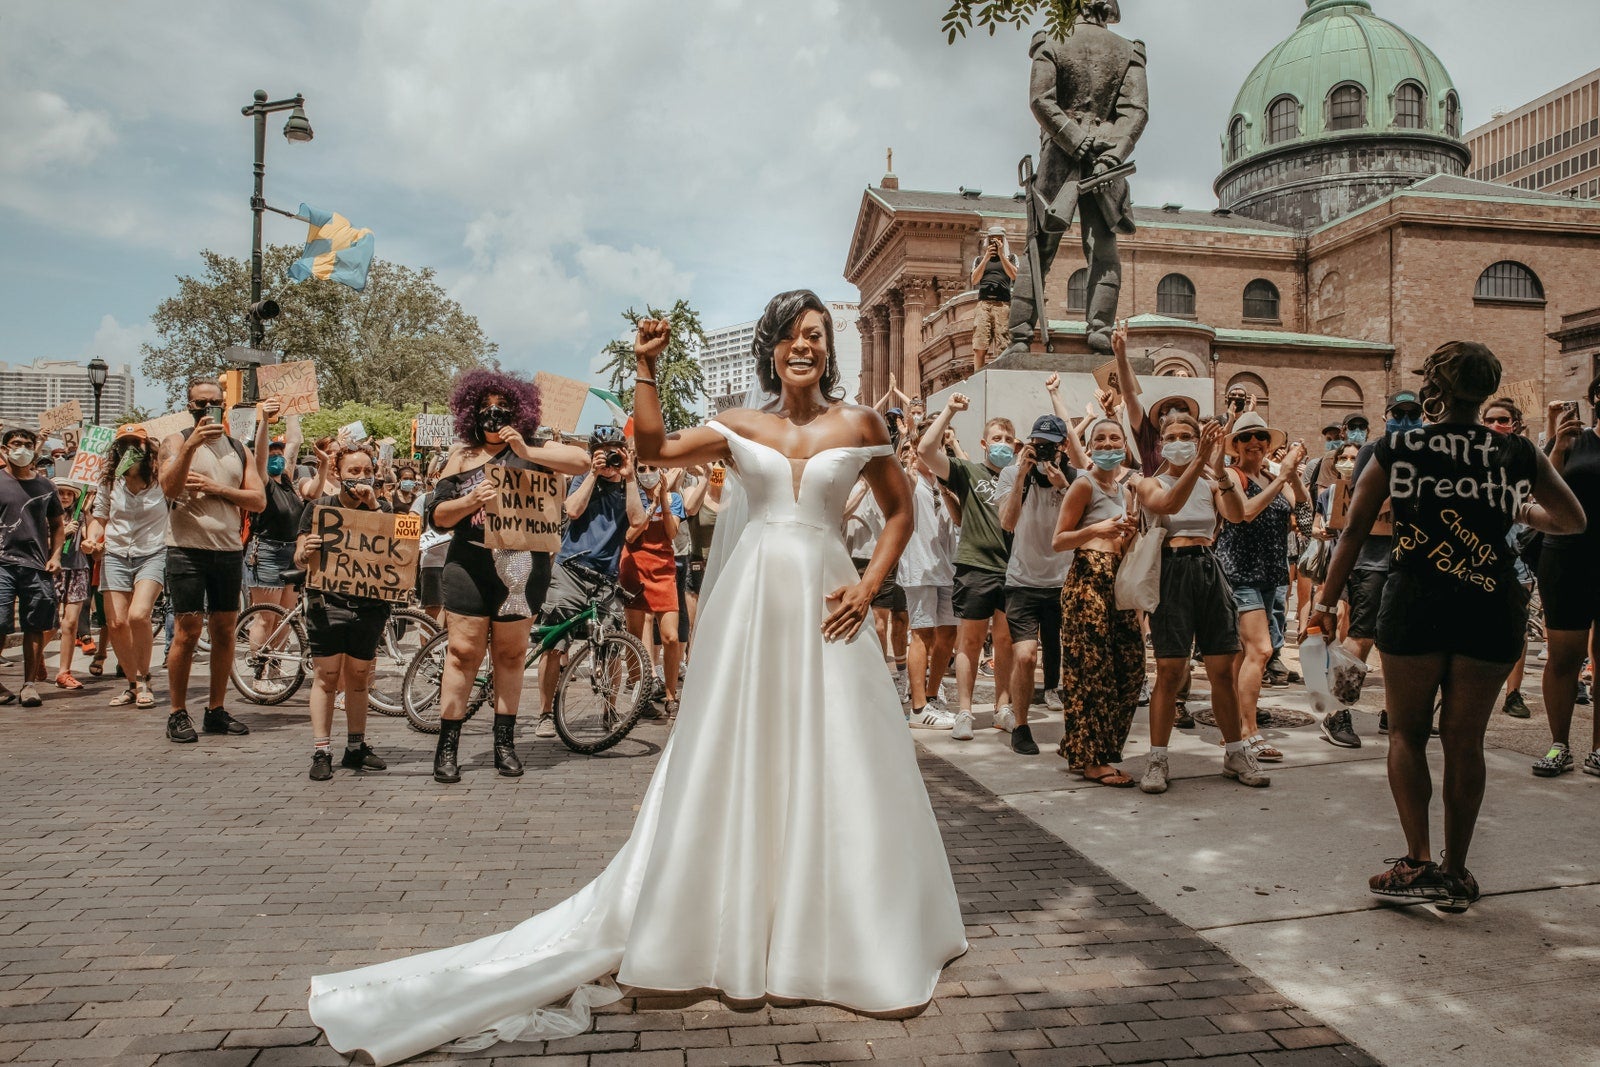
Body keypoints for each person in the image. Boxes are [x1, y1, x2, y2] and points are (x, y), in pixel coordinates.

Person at [308, 290, 967, 1063]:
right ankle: (737, 921)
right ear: (772, 346)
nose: (806, 346)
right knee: (746, 755)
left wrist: (866, 583)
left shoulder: (861, 424)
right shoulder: (739, 427)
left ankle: (842, 926)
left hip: (829, 606)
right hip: (753, 611)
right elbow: (650, 447)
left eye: (818, 335)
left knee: (841, 760)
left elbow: (899, 514)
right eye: (792, 334)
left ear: (830, 349)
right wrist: (647, 367)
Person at [1314, 340, 1583, 912]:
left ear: (1435, 387)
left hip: (1416, 600)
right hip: (1489, 604)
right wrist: (1514, 507)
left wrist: (1323, 602)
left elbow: (1355, 530)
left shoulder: (1400, 446)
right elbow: (1570, 518)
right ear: (1487, 390)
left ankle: (1417, 861)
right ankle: (1457, 872)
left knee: (1408, 734)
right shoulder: (1515, 453)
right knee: (1466, 741)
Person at [425, 371, 591, 784]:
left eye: (501, 408)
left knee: (511, 655)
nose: (492, 415)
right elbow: (438, 517)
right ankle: (448, 746)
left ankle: (505, 744)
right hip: (470, 562)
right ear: (471, 412)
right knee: (462, 652)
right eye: (484, 408)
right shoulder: (461, 457)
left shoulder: (535, 449)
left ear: (518, 412)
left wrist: (522, 446)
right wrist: (468, 501)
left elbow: (582, 462)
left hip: (522, 565)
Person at [1134, 413, 1270, 793]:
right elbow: (1168, 504)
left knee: (1223, 670)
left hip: (1209, 570)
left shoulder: (1211, 481)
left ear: (1198, 440)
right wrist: (1200, 461)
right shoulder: (1148, 482)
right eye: (1171, 436)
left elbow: (1237, 513)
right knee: (1169, 670)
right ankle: (1158, 758)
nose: (1179, 441)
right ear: (1161, 443)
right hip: (1171, 572)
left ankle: (1235, 752)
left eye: (1187, 436)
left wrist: (1218, 469)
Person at [157, 376, 265, 742]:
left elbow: (259, 500)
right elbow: (169, 489)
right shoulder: (175, 442)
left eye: (214, 403)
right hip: (186, 549)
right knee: (186, 633)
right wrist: (190, 446)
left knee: (223, 632)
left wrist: (217, 489)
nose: (207, 409)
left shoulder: (238, 448)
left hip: (228, 551)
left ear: (225, 405)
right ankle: (177, 712)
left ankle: (216, 709)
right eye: (200, 403)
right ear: (190, 406)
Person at [917, 396, 1016, 741]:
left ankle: (1003, 708)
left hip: (1011, 569)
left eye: (1008, 439)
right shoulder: (969, 472)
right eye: (997, 438)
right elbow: (927, 451)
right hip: (975, 566)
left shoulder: (1019, 476)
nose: (1003, 444)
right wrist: (950, 412)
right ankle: (964, 710)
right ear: (984, 443)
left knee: (1005, 642)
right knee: (969, 642)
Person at [295, 447, 395, 782]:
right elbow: (298, 557)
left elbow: (398, 551)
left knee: (359, 676)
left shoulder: (384, 509)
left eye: (366, 470)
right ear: (338, 474)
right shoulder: (319, 508)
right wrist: (304, 551)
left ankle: (355, 746)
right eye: (353, 470)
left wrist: (374, 506)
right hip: (327, 603)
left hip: (369, 606)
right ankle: (321, 749)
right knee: (325, 677)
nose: (361, 476)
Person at [1052, 418, 1142, 785]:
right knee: (1092, 672)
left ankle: (1084, 743)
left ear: (1124, 445)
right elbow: (1059, 540)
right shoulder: (1083, 485)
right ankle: (1093, 759)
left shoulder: (1127, 489)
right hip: (1088, 578)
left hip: (1118, 580)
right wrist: (1096, 529)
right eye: (1100, 439)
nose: (1107, 444)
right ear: (1089, 447)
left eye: (1114, 438)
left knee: (1132, 667)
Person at [536, 426, 642, 736]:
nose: (609, 456)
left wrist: (630, 475)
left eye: (615, 450)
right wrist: (594, 474)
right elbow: (572, 509)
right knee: (554, 643)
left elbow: (637, 521)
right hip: (570, 570)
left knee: (611, 644)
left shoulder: (628, 486)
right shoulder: (584, 479)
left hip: (606, 578)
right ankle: (545, 714)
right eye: (603, 451)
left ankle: (610, 712)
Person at [1216, 413, 1307, 764]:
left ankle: (1236, 728)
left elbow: (1305, 513)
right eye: (1246, 437)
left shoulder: (1273, 477)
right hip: (1239, 573)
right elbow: (1246, 512)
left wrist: (1293, 478)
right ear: (1235, 445)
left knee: (1243, 657)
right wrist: (1282, 476)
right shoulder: (1232, 477)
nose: (1255, 442)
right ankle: (1249, 732)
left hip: (1271, 574)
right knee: (1261, 650)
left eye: (1261, 437)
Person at [994, 414, 1075, 756]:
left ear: (1063, 447)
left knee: (1073, 657)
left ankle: (1076, 729)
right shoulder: (1012, 474)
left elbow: (1089, 519)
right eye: (1036, 445)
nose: (1041, 451)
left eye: (1048, 446)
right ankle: (1022, 726)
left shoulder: (1077, 478)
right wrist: (1021, 477)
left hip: (1064, 580)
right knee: (1025, 656)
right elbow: (1007, 522)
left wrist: (1063, 486)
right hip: (1024, 580)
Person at [1533, 374, 1600, 778]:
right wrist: (1557, 445)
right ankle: (1560, 745)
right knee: (1564, 658)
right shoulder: (1574, 441)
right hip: (1567, 560)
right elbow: (1540, 489)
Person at [85, 424, 166, 709]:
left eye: (136, 443)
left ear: (146, 447)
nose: (130, 448)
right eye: (124, 443)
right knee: (116, 623)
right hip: (116, 553)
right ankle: (132, 684)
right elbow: (100, 516)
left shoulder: (161, 478)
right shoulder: (108, 480)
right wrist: (92, 539)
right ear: (116, 449)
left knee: (138, 615)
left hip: (153, 552)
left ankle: (145, 679)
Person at [0, 428, 65, 707]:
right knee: (0, 624)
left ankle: (29, 684)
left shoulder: (46, 486)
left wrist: (56, 555)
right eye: (16, 444)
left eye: (28, 444)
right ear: (4, 449)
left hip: (37, 565)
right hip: (2, 563)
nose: (22, 449)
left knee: (35, 625)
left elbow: (58, 525)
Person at [1481, 398, 1536, 720]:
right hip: (1477, 550)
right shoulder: (1470, 456)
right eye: (1489, 420)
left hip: (1515, 549)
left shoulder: (1525, 456)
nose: (1494, 426)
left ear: (1515, 424)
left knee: (1518, 625)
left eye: (1502, 420)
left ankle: (1513, 693)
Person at [245, 401, 305, 690]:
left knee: (284, 618)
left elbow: (294, 441)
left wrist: (292, 405)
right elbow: (258, 454)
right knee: (266, 617)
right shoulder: (262, 481)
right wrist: (264, 421)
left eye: (279, 453)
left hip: (291, 552)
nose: (277, 457)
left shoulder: (288, 483)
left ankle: (275, 670)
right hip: (266, 552)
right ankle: (258, 674)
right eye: (272, 453)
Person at [900, 439, 958, 727]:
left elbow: (958, 519)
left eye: (942, 447)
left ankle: (933, 696)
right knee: (922, 633)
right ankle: (918, 708)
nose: (938, 453)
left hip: (947, 567)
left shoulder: (944, 480)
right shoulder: (909, 479)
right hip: (919, 565)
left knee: (948, 633)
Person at [621, 459, 685, 718]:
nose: (647, 473)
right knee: (635, 637)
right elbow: (630, 535)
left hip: (663, 568)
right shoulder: (632, 496)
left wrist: (665, 502)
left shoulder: (675, 498)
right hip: (635, 567)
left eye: (652, 468)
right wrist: (652, 507)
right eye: (642, 469)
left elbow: (671, 533)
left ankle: (671, 694)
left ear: (661, 470)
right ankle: (641, 694)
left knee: (670, 636)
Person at [48, 483, 94, 690]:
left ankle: (64, 672)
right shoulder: (47, 515)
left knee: (71, 622)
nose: (65, 497)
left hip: (78, 568)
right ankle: (37, 653)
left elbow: (92, 535)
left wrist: (86, 512)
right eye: (61, 493)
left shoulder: (80, 516)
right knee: (50, 623)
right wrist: (61, 533)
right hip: (53, 570)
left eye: (69, 494)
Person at [969, 226, 1018, 370]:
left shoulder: (1011, 258)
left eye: (999, 239)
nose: (995, 242)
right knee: (979, 345)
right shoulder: (979, 260)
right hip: (984, 304)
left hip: (1002, 304)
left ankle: (1002, 373)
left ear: (1004, 240)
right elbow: (974, 280)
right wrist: (986, 258)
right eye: (992, 239)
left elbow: (1014, 276)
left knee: (1003, 344)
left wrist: (1002, 255)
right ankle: (977, 375)